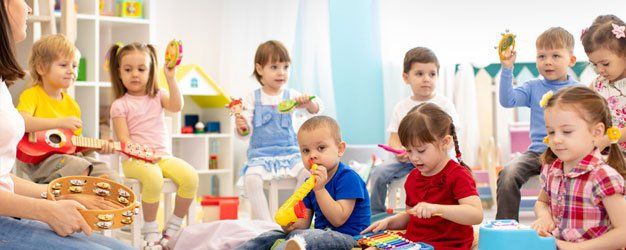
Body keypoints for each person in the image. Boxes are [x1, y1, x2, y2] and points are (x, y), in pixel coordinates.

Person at [0, 0, 131, 248]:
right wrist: (48, 209)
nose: (29, 9)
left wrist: (57, 194)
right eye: (23, 1)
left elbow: (3, 178)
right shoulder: (30, 95)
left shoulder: (3, 87)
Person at [108, 42, 199, 247]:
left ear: (151, 72)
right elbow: (124, 141)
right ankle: (150, 231)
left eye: (141, 69)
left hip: (163, 157)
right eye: (128, 69)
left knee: (190, 177)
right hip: (134, 160)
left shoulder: (157, 96)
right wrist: (145, 155)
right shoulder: (120, 105)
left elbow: (176, 106)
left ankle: (173, 227)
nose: (135, 74)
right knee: (153, 178)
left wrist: (170, 77)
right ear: (119, 72)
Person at [239, 116, 370, 250]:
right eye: (306, 150)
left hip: (350, 239)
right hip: (318, 235)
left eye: (321, 148)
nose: (312, 155)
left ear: (340, 149)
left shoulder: (348, 178)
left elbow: (338, 219)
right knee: (273, 235)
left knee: (310, 238)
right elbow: (304, 224)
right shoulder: (310, 182)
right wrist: (289, 224)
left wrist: (320, 190)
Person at [362, 103, 482, 250]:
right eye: (409, 151)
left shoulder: (458, 175)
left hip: (447, 245)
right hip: (414, 244)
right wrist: (390, 222)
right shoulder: (413, 177)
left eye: (421, 150)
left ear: (445, 142)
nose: (414, 158)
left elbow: (476, 214)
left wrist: (437, 209)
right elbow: (412, 216)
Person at [496, 27, 581, 220]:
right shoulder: (533, 87)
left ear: (571, 60)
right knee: (508, 173)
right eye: (541, 56)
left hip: (570, 154)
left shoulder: (579, 90)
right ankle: (506, 228)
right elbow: (507, 101)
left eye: (556, 56)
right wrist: (507, 68)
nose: (548, 61)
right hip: (538, 152)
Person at [16, 34, 120, 184]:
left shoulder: (72, 105)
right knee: (79, 166)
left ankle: (95, 202)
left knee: (110, 175)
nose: (71, 71)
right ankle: (66, 196)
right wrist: (60, 123)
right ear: (41, 68)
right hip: (38, 160)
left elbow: (73, 145)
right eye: (64, 65)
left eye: (75, 66)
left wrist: (97, 147)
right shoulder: (32, 95)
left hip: (70, 159)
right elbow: (22, 122)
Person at [236, 40, 322, 221]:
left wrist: (308, 102)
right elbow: (245, 131)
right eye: (274, 67)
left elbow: (315, 110)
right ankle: (267, 224)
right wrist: (242, 126)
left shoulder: (290, 96)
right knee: (251, 179)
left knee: (308, 174)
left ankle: (291, 214)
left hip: (290, 154)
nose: (281, 72)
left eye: (285, 66)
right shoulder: (252, 98)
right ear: (260, 69)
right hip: (261, 155)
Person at [532, 86, 626, 249]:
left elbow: (623, 233)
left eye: (567, 131)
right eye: (551, 132)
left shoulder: (603, 176)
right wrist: (544, 216)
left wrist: (574, 248)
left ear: (596, 132)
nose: (556, 139)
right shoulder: (552, 170)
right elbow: (541, 202)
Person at [369, 47, 459, 214]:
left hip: (439, 160)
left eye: (432, 74)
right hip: (409, 159)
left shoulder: (445, 104)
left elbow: (451, 137)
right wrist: (400, 151)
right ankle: (376, 212)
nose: (426, 79)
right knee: (379, 173)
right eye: (419, 74)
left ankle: (447, 210)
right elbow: (394, 139)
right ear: (406, 77)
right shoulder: (400, 107)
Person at [582, 14, 626, 152]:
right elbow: (581, 108)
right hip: (609, 153)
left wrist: (607, 139)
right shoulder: (598, 85)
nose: (600, 70)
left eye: (605, 63)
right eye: (594, 64)